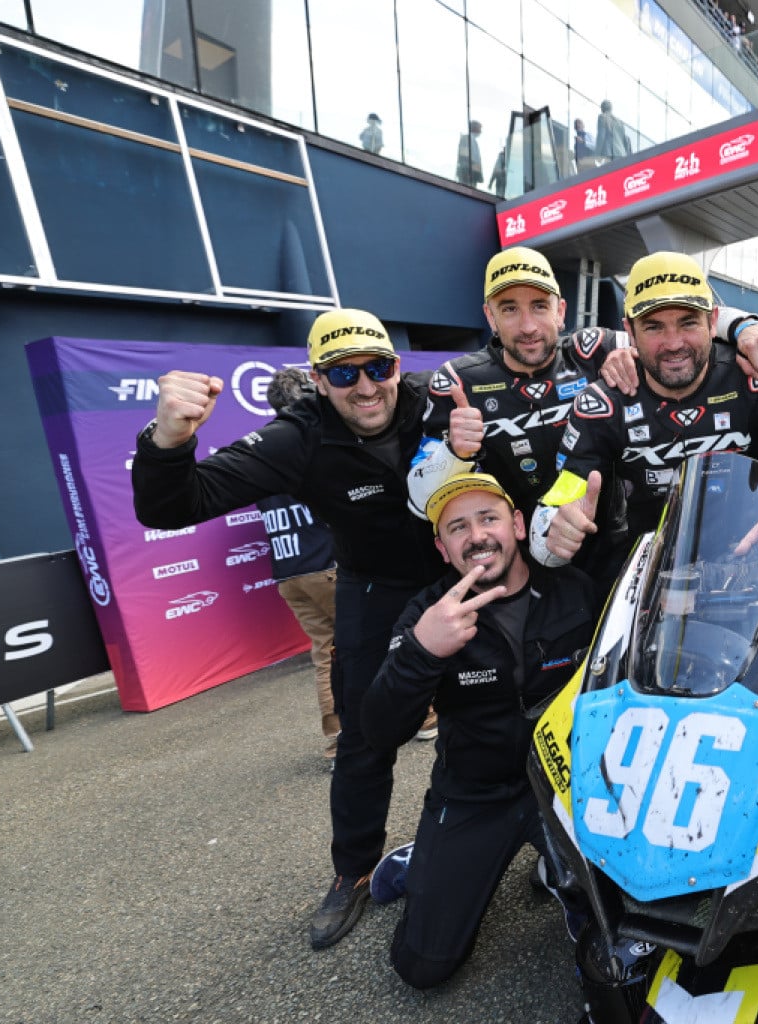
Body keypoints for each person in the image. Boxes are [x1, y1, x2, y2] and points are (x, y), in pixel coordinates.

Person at [132, 309, 465, 951]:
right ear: (317, 380)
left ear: (397, 367)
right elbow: (172, 505)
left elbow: (534, 379)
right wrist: (167, 441)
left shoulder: (438, 399)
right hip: (373, 587)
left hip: (458, 576)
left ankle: (505, 831)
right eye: (343, 374)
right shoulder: (298, 435)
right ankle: (354, 870)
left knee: (494, 705)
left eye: (377, 367)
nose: (365, 386)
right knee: (365, 736)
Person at [413, 246, 758, 591]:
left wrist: (746, 327)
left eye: (540, 306)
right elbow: (419, 501)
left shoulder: (592, 349)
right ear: (489, 317)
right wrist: (453, 452)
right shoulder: (457, 381)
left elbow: (672, 323)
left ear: (561, 311)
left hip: (606, 550)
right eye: (509, 309)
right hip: (508, 562)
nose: (528, 326)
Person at [361, 469, 597, 990]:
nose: (476, 536)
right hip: (475, 793)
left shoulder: (575, 588)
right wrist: (423, 651)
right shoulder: (428, 612)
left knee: (627, 923)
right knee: (423, 967)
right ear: (443, 549)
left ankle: (557, 866)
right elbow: (379, 730)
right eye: (457, 528)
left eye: (488, 518)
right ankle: (422, 856)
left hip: (568, 786)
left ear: (518, 525)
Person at [530, 252, 758, 575]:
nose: (673, 343)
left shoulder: (757, 378)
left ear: (713, 321)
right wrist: (556, 530)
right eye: (653, 327)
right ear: (630, 332)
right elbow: (550, 526)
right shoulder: (603, 403)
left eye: (688, 322)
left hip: (750, 566)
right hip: (649, 575)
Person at [258, 368, 341, 762]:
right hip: (328, 566)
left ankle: (338, 739)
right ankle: (425, 718)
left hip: (290, 572)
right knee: (381, 638)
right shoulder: (312, 438)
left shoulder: (263, 447)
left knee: (327, 654)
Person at [456, 120, 483, 187]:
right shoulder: (466, 138)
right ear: (474, 128)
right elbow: (463, 156)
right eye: (479, 129)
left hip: (473, 174)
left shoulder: (474, 140)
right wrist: (470, 169)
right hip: (466, 173)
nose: (481, 132)